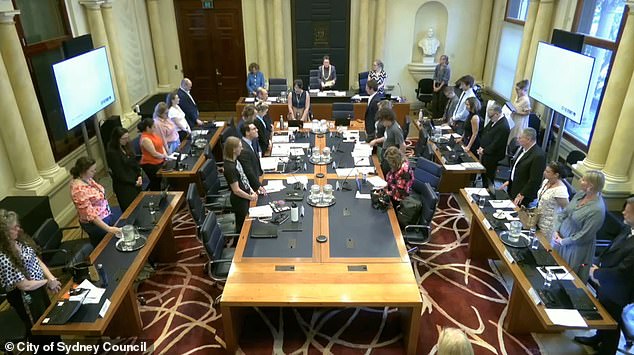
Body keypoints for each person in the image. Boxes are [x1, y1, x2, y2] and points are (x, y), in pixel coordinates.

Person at [576, 197, 634, 355]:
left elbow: (623, 271)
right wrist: (598, 265)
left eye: (628, 212)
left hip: (619, 288)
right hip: (607, 281)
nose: (623, 213)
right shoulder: (628, 228)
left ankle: (607, 351)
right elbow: (612, 249)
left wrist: (596, 273)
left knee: (612, 322)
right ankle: (597, 338)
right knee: (603, 313)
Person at [0, 210, 62, 342]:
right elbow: (24, 285)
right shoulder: (4, 258)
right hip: (25, 297)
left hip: (38, 287)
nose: (19, 229)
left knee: (49, 320)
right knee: (38, 328)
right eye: (14, 228)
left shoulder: (20, 240)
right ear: (4, 233)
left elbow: (36, 260)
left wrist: (51, 278)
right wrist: (47, 282)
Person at [552, 170, 606, 282]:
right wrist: (556, 230)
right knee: (553, 267)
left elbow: (584, 236)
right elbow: (565, 212)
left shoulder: (597, 209)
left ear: (591, 186)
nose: (580, 181)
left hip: (575, 248)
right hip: (560, 239)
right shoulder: (581, 194)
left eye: (583, 179)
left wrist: (563, 241)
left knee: (566, 277)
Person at [70, 157, 122, 246]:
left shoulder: (87, 178)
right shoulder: (78, 190)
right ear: (83, 171)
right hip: (96, 224)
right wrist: (109, 229)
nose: (95, 172)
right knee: (104, 246)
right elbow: (91, 215)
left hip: (105, 214)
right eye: (92, 170)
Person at [501, 127, 546, 207]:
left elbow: (535, 180)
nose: (517, 139)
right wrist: (510, 181)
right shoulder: (522, 148)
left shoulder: (538, 156)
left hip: (522, 194)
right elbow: (516, 167)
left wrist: (522, 193)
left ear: (528, 139)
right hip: (513, 187)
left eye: (520, 138)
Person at [223, 137, 258, 233]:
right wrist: (250, 197)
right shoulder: (230, 168)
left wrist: (251, 190)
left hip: (246, 195)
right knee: (243, 226)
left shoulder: (235, 160)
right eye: (240, 147)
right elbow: (236, 190)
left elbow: (243, 177)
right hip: (239, 201)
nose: (242, 149)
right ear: (234, 150)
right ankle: (236, 244)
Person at [106, 127, 143, 212]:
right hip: (125, 186)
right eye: (124, 138)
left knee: (140, 206)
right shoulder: (112, 152)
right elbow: (119, 173)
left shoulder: (127, 146)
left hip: (135, 180)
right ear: (117, 139)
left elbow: (134, 162)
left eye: (127, 137)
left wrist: (139, 176)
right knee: (131, 210)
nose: (127, 140)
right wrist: (134, 182)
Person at [477, 102, 510, 188]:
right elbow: (486, 131)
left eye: (491, 117)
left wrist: (484, 150)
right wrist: (481, 147)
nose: (490, 119)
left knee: (487, 174)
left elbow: (496, 144)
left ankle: (488, 188)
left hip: (494, 155)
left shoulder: (503, 126)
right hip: (486, 150)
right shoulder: (494, 120)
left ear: (497, 114)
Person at [535, 162, 569, 240]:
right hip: (539, 217)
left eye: (548, 172)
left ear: (556, 175)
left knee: (543, 244)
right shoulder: (546, 181)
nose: (544, 173)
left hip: (549, 223)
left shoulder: (560, 190)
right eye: (545, 170)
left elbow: (567, 210)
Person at [138, 118, 168, 191]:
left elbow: (161, 145)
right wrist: (165, 156)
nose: (155, 128)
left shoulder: (153, 134)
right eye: (154, 126)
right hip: (151, 164)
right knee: (156, 183)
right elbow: (154, 153)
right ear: (148, 128)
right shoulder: (145, 139)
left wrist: (165, 155)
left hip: (160, 160)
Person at [238, 121, 265, 195]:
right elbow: (248, 171)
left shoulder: (249, 142)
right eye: (254, 129)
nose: (257, 130)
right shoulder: (244, 150)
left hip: (257, 177)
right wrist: (258, 186)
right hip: (251, 187)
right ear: (247, 132)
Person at [508, 79, 531, 144]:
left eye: (518, 90)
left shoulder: (526, 100)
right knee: (511, 135)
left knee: (516, 136)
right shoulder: (518, 96)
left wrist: (517, 112)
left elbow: (527, 113)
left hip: (519, 121)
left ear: (523, 90)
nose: (517, 92)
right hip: (514, 118)